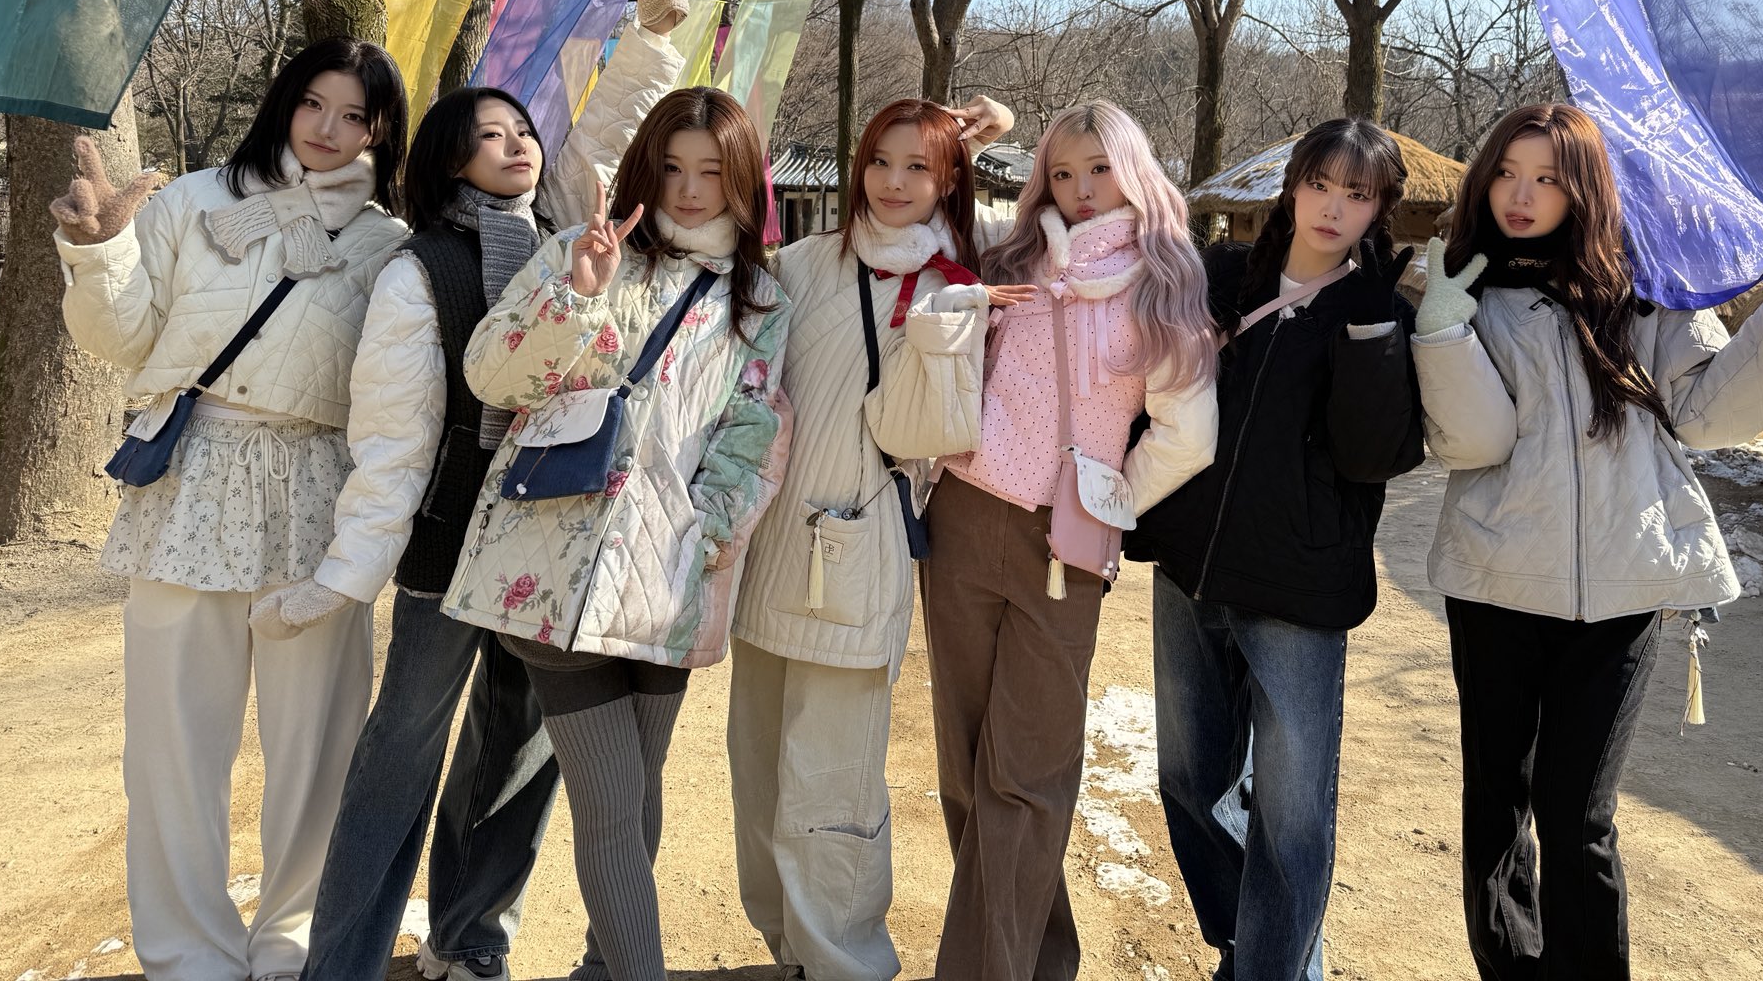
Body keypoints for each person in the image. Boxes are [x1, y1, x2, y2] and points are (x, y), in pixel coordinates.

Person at [278, 0, 692, 981]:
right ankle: (345, 962)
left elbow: (610, 129)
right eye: (488, 134)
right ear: (448, 157)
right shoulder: (420, 268)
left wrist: (654, 36)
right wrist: (359, 559)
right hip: (447, 547)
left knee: (517, 751)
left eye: (522, 129)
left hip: (548, 542)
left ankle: (469, 942)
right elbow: (395, 434)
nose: (516, 144)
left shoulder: (566, 231)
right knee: (402, 755)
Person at [1411, 103, 1763, 981]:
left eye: (1548, 178)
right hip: (1494, 581)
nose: (1521, 195)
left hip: (1625, 586)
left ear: (1586, 190)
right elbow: (1473, 441)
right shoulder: (1454, 285)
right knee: (1497, 806)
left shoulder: (1647, 288)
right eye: (1506, 173)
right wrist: (1445, 330)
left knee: (1579, 816)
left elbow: (1709, 414)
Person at [50, 37, 409, 981]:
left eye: (356, 115)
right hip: (192, 480)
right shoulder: (195, 200)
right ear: (284, 100)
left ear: (381, 132)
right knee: (172, 739)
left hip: (317, 486)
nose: (329, 129)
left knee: (319, 741)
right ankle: (187, 951)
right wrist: (98, 254)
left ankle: (296, 937)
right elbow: (124, 339)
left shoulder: (388, 244)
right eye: (314, 103)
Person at [446, 84, 793, 981]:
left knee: (638, 794)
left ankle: (605, 968)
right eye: (672, 168)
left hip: (670, 581)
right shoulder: (583, 249)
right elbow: (491, 376)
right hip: (556, 571)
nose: (690, 191)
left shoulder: (759, 297)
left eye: (712, 172)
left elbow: (754, 432)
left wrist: (702, 541)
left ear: (743, 179)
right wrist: (577, 293)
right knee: (607, 805)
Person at [726, 94, 1024, 981]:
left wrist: (997, 134)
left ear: (948, 181)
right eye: (881, 162)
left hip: (857, 555)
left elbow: (919, 433)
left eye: (919, 167)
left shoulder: (955, 282)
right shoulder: (802, 262)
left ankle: (846, 964)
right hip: (769, 550)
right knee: (758, 772)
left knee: (833, 783)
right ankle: (789, 950)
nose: (894, 183)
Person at [922, 100, 1219, 981]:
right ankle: (1040, 958)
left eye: (1099, 170)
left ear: (1133, 171)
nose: (1082, 190)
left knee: (1027, 772)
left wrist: (1111, 499)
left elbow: (1189, 435)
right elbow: (919, 218)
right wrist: (962, 145)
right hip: (961, 517)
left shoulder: (1161, 279)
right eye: (1062, 173)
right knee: (966, 766)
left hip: (1065, 545)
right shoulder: (1012, 257)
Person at [1129, 118, 1426, 981]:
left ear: (1379, 209)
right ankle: (1259, 951)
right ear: (1292, 186)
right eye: (1320, 184)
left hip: (1300, 590)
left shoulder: (1382, 312)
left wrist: (1371, 332)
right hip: (1191, 569)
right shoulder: (1222, 279)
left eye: (1357, 195)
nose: (1333, 207)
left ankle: (1268, 969)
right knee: (1190, 785)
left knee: (1292, 820)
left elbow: (1374, 456)